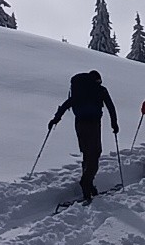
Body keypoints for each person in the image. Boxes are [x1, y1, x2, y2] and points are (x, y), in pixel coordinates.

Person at [49, 70, 119, 202]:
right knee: (95, 153)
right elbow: (111, 107)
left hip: (80, 123)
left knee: (87, 152)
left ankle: (88, 183)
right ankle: (86, 182)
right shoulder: (100, 90)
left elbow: (67, 104)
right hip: (94, 124)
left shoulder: (80, 91)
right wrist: (114, 124)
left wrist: (55, 119)